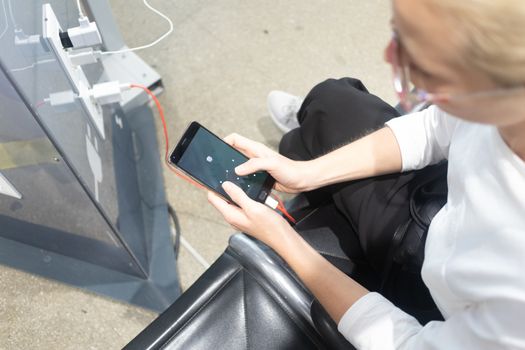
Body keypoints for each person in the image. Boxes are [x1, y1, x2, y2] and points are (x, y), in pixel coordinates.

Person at [208, 0, 525, 348]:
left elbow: (405, 343)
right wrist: (305, 174)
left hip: (435, 306)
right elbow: (436, 128)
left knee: (317, 134)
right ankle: (305, 147)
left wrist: (283, 241)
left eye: (414, 48)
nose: (389, 56)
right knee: (332, 98)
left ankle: (306, 148)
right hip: (442, 214)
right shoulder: (493, 101)